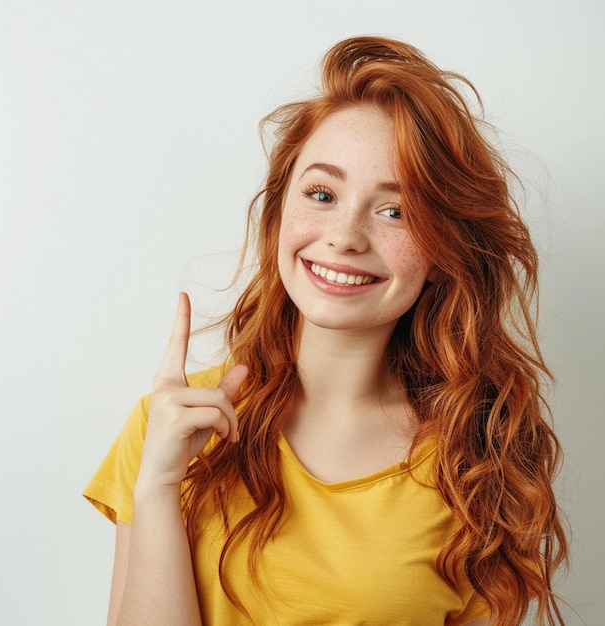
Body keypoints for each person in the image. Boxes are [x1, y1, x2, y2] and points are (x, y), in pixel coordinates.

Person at [84, 36, 569, 625]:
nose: (345, 235)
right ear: (279, 214)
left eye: (395, 210)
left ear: (445, 246)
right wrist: (160, 484)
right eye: (321, 194)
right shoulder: (168, 428)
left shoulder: (480, 462)